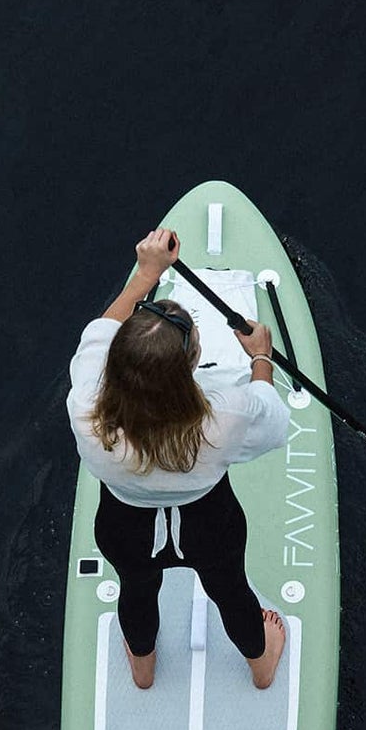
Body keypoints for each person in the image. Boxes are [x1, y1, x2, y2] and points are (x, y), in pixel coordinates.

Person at [67, 223, 293, 690]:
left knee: (137, 587)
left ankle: (144, 668)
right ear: (192, 362)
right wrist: (261, 359)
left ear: (116, 363)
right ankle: (260, 663)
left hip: (124, 523)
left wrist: (146, 273)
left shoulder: (87, 407)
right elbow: (273, 425)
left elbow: (102, 331)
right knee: (230, 590)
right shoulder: (223, 416)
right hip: (209, 521)